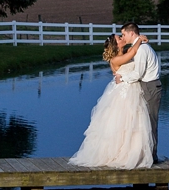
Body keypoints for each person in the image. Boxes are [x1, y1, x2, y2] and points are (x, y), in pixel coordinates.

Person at [69, 32, 154, 168]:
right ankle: (118, 154)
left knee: (134, 123)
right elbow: (132, 54)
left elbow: (132, 52)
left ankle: (134, 153)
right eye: (119, 38)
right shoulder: (115, 59)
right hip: (123, 94)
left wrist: (138, 40)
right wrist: (140, 40)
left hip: (133, 91)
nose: (122, 38)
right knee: (122, 123)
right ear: (116, 45)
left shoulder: (125, 52)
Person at [115, 22, 163, 161]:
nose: (123, 37)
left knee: (151, 122)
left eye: (124, 34)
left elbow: (138, 73)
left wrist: (122, 78)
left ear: (131, 33)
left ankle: (152, 156)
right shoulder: (139, 48)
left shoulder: (142, 49)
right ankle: (146, 154)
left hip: (150, 86)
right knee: (145, 122)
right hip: (148, 86)